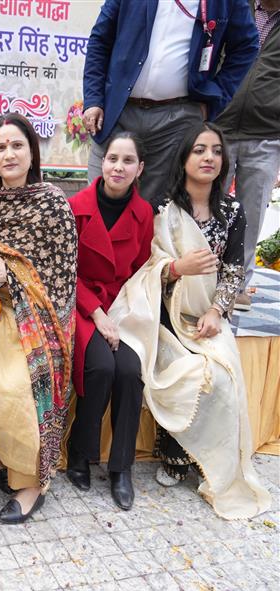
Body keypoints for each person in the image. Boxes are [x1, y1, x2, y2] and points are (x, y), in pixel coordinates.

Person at [109, 122, 271, 519]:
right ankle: (174, 453)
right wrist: (176, 268)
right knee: (184, 371)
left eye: (215, 151)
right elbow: (145, 267)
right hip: (164, 313)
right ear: (183, 159)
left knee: (223, 376)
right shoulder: (162, 209)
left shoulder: (232, 212)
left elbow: (233, 270)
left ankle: (212, 461)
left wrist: (216, 311)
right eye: (199, 150)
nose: (208, 158)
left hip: (208, 316)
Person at [0, 113, 77, 524]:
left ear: (32, 153)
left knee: (15, 384)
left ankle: (32, 482)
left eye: (17, 145)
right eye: (0, 147)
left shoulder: (53, 204)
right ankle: (5, 461)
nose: (9, 154)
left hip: (38, 319)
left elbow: (61, 280)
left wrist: (9, 277)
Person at [83, 0, 259, 205]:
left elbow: (247, 46)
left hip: (177, 120)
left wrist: (216, 97)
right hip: (118, 110)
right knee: (98, 202)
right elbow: (100, 40)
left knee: (154, 208)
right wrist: (94, 99)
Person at [64, 132, 153, 511]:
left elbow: (141, 271)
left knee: (130, 371)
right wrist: (97, 313)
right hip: (82, 303)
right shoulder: (74, 206)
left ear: (140, 168)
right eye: (113, 158)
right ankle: (80, 454)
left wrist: (122, 314)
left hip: (123, 307)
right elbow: (64, 271)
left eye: (128, 160)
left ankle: (121, 467)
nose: (118, 167)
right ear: (102, 162)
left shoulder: (144, 214)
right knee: (100, 366)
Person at [216, 0, 280, 311]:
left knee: (251, 213)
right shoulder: (237, 7)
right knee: (208, 206)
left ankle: (237, 286)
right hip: (221, 125)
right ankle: (201, 280)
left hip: (268, 133)